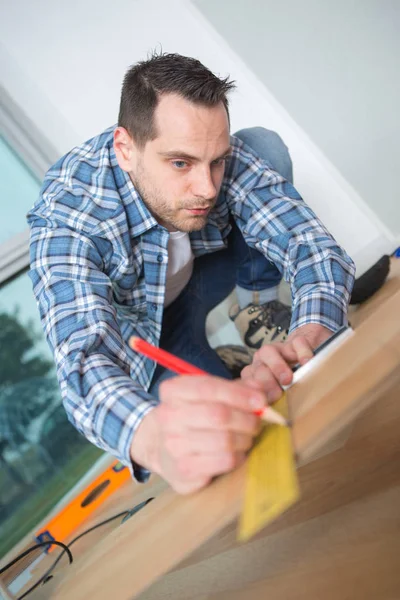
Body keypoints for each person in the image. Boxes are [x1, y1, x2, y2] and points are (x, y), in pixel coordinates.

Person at [27, 52, 355, 495]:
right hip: (148, 337)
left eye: (216, 161)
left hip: (204, 274)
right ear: (125, 148)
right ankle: (224, 362)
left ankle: (257, 306)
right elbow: (83, 356)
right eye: (180, 163)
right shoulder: (70, 209)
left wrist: (311, 336)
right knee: (231, 437)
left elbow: (308, 244)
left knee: (263, 144)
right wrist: (153, 438)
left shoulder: (212, 150)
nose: (207, 187)